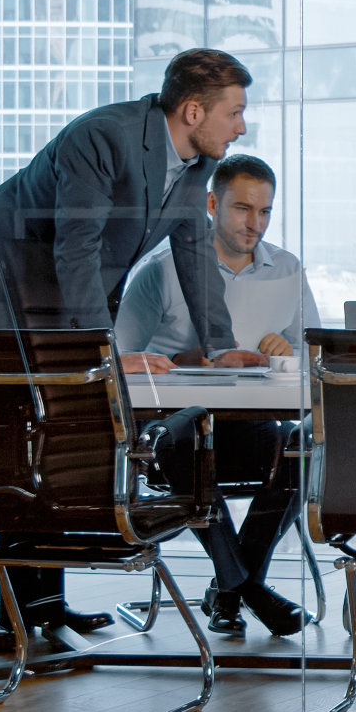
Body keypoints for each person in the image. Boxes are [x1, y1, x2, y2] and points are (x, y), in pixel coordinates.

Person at [0, 47, 253, 652]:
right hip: (2, 267)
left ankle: (40, 606)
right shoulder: (102, 137)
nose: (241, 126)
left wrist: (221, 347)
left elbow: (193, 257)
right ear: (194, 110)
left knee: (58, 426)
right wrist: (103, 353)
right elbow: (76, 245)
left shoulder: (192, 169)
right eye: (235, 111)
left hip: (62, 283)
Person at [115, 154, 319, 638]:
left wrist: (284, 351)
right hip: (174, 431)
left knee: (304, 446)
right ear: (211, 203)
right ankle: (244, 589)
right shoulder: (162, 270)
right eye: (243, 209)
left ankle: (234, 585)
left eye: (265, 211)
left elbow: (315, 354)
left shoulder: (285, 269)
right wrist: (187, 359)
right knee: (191, 444)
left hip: (249, 424)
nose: (255, 223)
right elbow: (118, 361)